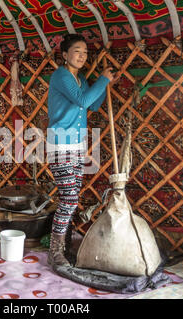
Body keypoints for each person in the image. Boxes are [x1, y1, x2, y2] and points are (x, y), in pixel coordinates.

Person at [46, 34, 118, 267]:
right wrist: (102, 81)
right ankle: (54, 251)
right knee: (69, 198)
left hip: (77, 145)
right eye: (77, 51)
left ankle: (65, 245)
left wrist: (105, 84)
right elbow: (82, 101)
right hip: (60, 143)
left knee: (72, 199)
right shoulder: (61, 75)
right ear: (65, 55)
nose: (82, 56)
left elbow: (93, 104)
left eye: (85, 52)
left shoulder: (81, 79)